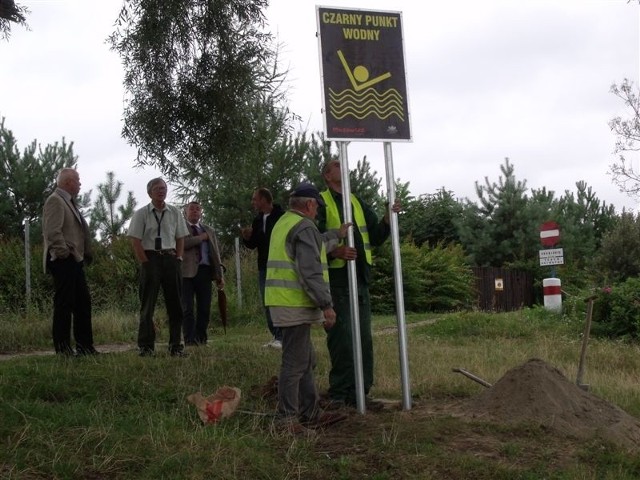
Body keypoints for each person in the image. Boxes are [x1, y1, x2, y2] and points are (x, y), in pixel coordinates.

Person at [265, 182, 349, 434]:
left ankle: (310, 412)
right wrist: (327, 305)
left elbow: (316, 245)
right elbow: (310, 270)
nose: (317, 213)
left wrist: (336, 234)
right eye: (317, 208)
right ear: (310, 204)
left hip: (284, 301)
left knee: (306, 359)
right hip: (294, 304)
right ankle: (287, 420)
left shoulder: (285, 222)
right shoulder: (304, 227)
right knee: (294, 362)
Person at [317, 158, 401, 409]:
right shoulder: (322, 202)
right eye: (336, 165)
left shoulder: (356, 201)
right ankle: (339, 395)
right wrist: (335, 251)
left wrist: (388, 218)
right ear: (327, 176)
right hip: (338, 279)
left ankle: (361, 393)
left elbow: (374, 235)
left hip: (360, 279)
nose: (344, 167)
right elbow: (313, 240)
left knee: (363, 338)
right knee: (342, 337)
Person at [128, 178, 189, 357]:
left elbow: (180, 237)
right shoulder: (142, 214)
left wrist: (178, 257)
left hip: (170, 259)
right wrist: (145, 262)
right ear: (149, 192)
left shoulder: (175, 212)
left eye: (163, 188)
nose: (161, 191)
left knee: (176, 304)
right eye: (157, 189)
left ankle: (176, 346)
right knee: (148, 305)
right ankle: (146, 347)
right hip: (151, 258)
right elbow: (135, 240)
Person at [42, 168, 98, 356]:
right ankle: (63, 349)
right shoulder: (55, 200)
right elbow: (52, 232)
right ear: (67, 182)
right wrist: (64, 252)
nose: (80, 184)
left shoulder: (68, 201)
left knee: (83, 303)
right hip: (63, 261)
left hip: (75, 260)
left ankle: (85, 347)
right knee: (64, 304)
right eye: (78, 180)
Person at [241, 187, 285, 348]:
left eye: (255, 199)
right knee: (267, 301)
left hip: (281, 267)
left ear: (264, 200)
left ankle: (283, 336)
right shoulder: (257, 220)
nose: (252, 202)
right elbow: (253, 245)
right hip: (264, 267)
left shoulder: (282, 216)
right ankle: (276, 336)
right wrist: (246, 238)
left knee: (279, 300)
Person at [181, 201, 225, 345]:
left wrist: (219, 275)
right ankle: (189, 339)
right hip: (186, 273)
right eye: (191, 209)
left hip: (205, 272)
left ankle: (201, 338)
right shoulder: (181, 228)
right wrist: (200, 238)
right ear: (185, 212)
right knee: (187, 308)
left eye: (198, 209)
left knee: (204, 307)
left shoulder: (209, 230)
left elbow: (215, 253)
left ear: (201, 213)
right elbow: (183, 245)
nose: (195, 211)